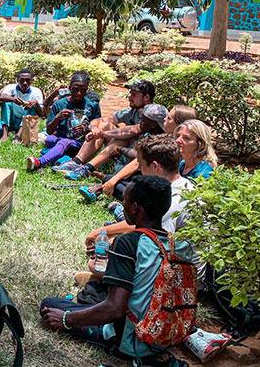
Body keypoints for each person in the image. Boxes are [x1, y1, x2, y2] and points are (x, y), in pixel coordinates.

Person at [40, 175, 196, 364]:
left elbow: (114, 309)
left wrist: (66, 319)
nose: (122, 206)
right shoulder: (178, 244)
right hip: (167, 331)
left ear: (135, 208)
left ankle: (110, 334)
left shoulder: (128, 243)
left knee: (51, 305)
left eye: (125, 202)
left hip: (133, 340)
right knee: (99, 293)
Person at [80, 105, 198, 203]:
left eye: (169, 118)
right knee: (117, 181)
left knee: (128, 188)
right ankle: (101, 179)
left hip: (160, 193)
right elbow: (136, 157)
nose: (165, 120)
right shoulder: (164, 138)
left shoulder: (179, 148)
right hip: (153, 182)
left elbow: (139, 161)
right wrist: (113, 180)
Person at [55, 80, 156, 175]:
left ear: (146, 97)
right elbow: (101, 120)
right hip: (125, 153)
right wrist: (94, 128)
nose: (129, 97)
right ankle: (76, 162)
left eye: (134, 95)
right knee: (103, 125)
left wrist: (103, 134)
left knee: (123, 137)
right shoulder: (132, 112)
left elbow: (134, 130)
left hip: (140, 158)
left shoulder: (154, 112)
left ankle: (88, 169)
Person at [59, 103, 168, 181]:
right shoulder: (146, 127)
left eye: (143, 120)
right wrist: (100, 132)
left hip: (137, 171)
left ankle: (88, 168)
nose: (141, 122)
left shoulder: (160, 140)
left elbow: (138, 158)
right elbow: (126, 130)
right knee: (116, 134)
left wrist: (120, 149)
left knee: (122, 140)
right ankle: (80, 164)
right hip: (129, 162)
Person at [26, 71, 101, 171]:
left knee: (64, 142)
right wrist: (57, 118)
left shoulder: (92, 105)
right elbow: (49, 131)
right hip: (61, 138)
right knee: (50, 139)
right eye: (75, 89)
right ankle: (63, 160)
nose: (79, 93)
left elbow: (98, 128)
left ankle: (40, 161)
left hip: (81, 143)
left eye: (83, 90)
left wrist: (86, 129)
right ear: (69, 88)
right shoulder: (60, 104)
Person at [0, 68, 44, 142]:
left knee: (31, 107)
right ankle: (5, 134)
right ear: (17, 80)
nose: (25, 83)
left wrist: (36, 103)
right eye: (22, 80)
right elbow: (2, 97)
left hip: (25, 123)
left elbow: (41, 113)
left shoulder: (37, 91)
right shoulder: (11, 87)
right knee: (6, 102)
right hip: (12, 119)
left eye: (28, 80)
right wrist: (13, 99)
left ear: (31, 81)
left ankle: (18, 136)